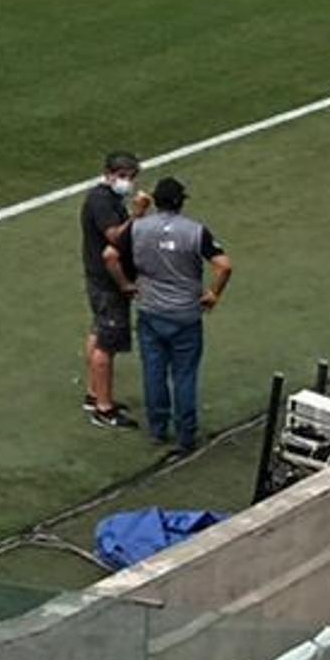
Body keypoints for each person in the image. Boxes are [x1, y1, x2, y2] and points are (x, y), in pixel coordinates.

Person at [112, 176, 230, 456]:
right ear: (180, 203)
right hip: (185, 315)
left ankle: (157, 429)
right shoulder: (195, 231)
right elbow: (224, 266)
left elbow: (110, 254)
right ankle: (186, 436)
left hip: (150, 311)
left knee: (153, 373)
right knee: (184, 376)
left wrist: (126, 286)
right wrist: (213, 294)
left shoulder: (138, 228)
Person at [80, 151, 141, 431]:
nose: (127, 182)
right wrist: (138, 216)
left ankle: (94, 394)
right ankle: (104, 409)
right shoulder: (103, 201)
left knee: (97, 333)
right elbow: (115, 236)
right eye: (124, 176)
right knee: (107, 344)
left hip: (100, 280)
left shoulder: (105, 198)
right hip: (108, 283)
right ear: (109, 173)